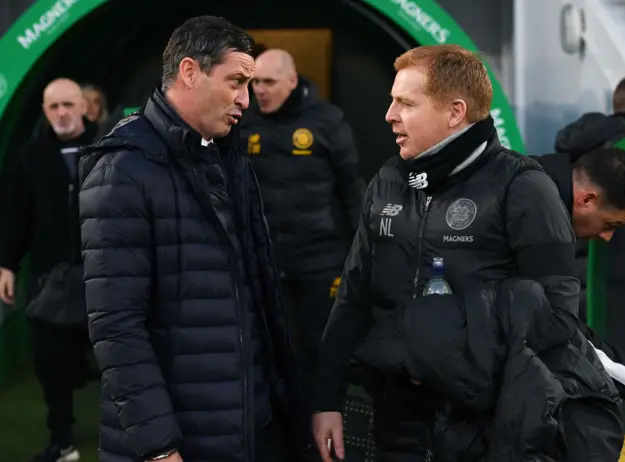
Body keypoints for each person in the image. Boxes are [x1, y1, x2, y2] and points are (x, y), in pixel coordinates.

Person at [311, 44, 623, 462]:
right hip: (394, 423)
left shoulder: (524, 187)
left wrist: (440, 359)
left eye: (405, 103)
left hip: (481, 433)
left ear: (455, 112)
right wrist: (326, 397)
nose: (389, 115)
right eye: (392, 100)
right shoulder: (388, 180)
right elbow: (354, 295)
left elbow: (554, 321)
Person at [79, 16, 299, 462]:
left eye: (250, 84)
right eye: (236, 81)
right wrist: (159, 447)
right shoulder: (123, 169)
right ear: (189, 71)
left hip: (244, 429)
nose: (245, 99)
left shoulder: (228, 155)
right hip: (178, 440)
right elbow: (117, 326)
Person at [239, 49, 365, 418]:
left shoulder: (327, 122)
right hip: (262, 260)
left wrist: (360, 253)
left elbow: (352, 191)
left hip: (319, 260)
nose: (259, 90)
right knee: (265, 349)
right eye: (254, 83)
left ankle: (322, 430)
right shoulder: (241, 122)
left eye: (268, 82)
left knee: (319, 349)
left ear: (292, 82)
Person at [0, 77, 98, 462]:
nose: (61, 113)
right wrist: (6, 264)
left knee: (119, 363)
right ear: (44, 111)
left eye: (67, 105)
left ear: (83, 106)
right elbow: (16, 216)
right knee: (49, 365)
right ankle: (62, 442)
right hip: (49, 280)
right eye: (53, 106)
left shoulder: (109, 146)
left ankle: (131, 437)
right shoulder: (32, 156)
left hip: (102, 277)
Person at [533, 147, 625, 401]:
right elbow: (560, 333)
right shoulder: (535, 222)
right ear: (587, 200)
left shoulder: (533, 188)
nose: (606, 236)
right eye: (610, 224)